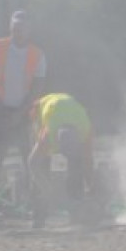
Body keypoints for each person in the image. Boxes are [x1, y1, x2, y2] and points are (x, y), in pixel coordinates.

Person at [0, 10, 46, 205]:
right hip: (1, 111)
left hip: (24, 114)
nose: (19, 32)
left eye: (22, 29)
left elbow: (37, 87)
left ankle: (34, 201)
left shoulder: (37, 54)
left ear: (29, 30)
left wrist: (20, 112)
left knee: (30, 158)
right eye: (15, 28)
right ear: (10, 28)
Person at [27, 92, 94, 227]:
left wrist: (92, 189)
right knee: (42, 166)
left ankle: (77, 214)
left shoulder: (86, 131)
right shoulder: (47, 135)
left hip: (69, 107)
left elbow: (88, 162)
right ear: (57, 143)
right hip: (41, 107)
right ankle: (39, 216)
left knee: (77, 169)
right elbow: (32, 163)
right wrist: (46, 187)